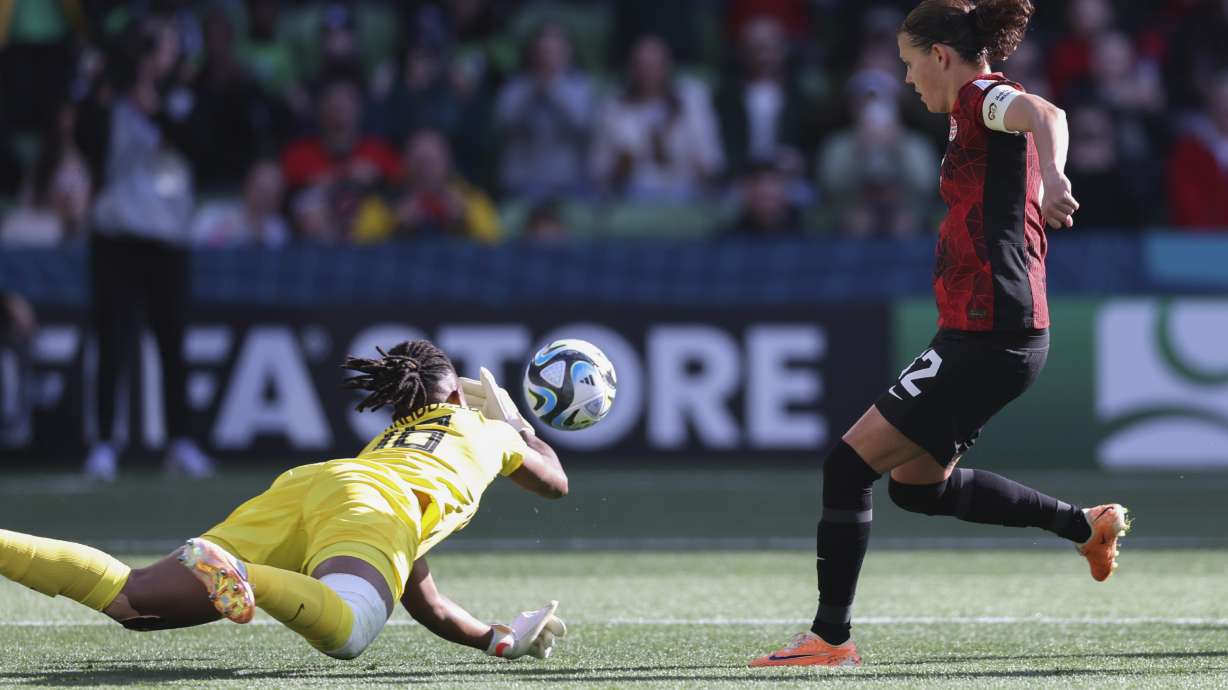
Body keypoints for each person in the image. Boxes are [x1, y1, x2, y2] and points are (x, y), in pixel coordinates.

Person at [750, 0, 1128, 669]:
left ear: (941, 57)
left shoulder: (982, 94)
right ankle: (1084, 524)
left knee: (847, 467)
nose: (905, 79)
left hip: (990, 333)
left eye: (909, 63)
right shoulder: (967, 113)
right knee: (918, 489)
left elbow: (1048, 113)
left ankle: (830, 638)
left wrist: (1057, 179)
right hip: (988, 331)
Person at [0, 340, 569, 662]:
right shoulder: (485, 430)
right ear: (452, 394)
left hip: (322, 484)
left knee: (135, 603)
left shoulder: (388, 443)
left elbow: (425, 602)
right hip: (376, 507)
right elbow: (555, 482)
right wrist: (518, 423)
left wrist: (496, 639)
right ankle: (248, 576)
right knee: (349, 631)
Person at [84, 18, 214, 481]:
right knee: (113, 341)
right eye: (155, 49)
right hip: (117, 236)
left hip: (168, 238)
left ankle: (180, 441)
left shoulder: (184, 98)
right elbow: (88, 147)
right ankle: (103, 444)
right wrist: (107, 95)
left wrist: (154, 110)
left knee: (172, 342)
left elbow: (204, 150)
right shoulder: (108, 101)